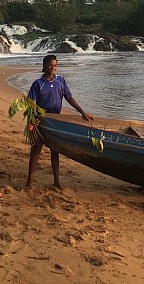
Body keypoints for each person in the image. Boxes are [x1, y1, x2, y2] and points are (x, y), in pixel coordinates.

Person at [25, 54, 94, 190]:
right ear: (44, 66)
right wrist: (32, 119)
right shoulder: (38, 83)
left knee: (55, 150)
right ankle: (29, 181)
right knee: (36, 149)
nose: (53, 68)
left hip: (56, 120)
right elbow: (29, 103)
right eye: (50, 65)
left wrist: (82, 112)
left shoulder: (61, 81)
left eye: (55, 65)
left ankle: (56, 181)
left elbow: (69, 97)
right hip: (41, 120)